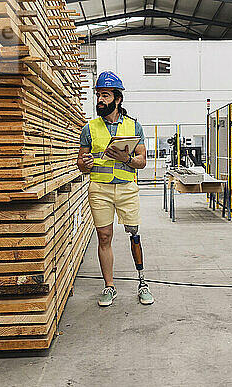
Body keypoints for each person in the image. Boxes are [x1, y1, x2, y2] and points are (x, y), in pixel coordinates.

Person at [77, 71, 154, 307]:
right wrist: (84, 164)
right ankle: (109, 286)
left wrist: (126, 158)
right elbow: (80, 163)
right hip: (99, 189)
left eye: (105, 95)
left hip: (127, 188)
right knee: (104, 237)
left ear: (117, 99)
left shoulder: (134, 126)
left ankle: (142, 282)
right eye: (99, 95)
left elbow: (142, 161)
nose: (100, 99)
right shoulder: (89, 128)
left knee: (134, 232)